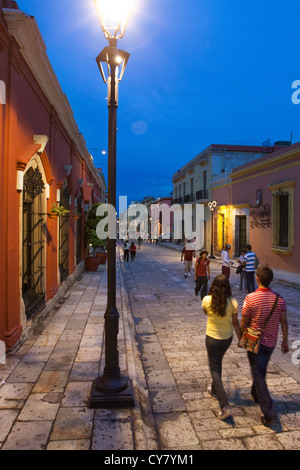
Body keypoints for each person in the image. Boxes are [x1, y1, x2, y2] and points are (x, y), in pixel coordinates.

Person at [241, 265, 289, 427]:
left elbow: (244, 320)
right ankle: (255, 393)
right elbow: (284, 321)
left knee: (258, 373)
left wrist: (242, 334)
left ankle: (269, 414)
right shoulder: (279, 299)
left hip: (254, 342)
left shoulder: (250, 298)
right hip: (271, 343)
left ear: (258, 279)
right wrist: (285, 340)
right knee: (260, 369)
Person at [202, 275, 242, 420]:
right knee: (217, 363)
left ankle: (224, 406)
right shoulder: (233, 302)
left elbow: (205, 312)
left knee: (215, 369)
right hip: (227, 339)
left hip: (212, 338)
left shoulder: (207, 300)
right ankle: (213, 389)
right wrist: (241, 339)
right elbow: (235, 323)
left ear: (213, 286)